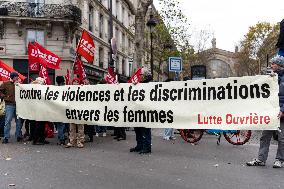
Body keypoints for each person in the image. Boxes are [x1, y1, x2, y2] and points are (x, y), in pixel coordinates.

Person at [246, 55, 284, 168]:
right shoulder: (271, 77)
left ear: (279, 65)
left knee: (282, 139)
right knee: (265, 136)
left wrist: (282, 110)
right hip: (271, 112)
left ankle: (279, 160)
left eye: (273, 64)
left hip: (281, 112)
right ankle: (261, 159)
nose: (271, 65)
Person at [130, 67, 152, 154]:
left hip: (145, 111)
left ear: (145, 76)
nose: (139, 76)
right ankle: (139, 145)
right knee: (138, 129)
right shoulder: (139, 84)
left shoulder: (149, 85)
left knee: (145, 129)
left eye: (141, 75)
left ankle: (147, 147)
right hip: (138, 111)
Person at [0, 72, 23, 144]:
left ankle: (18, 135)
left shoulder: (19, 84)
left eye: (17, 77)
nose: (17, 78)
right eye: (16, 77)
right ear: (12, 77)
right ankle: (6, 137)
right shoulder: (5, 83)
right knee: (8, 121)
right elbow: (0, 91)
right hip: (9, 104)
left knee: (18, 121)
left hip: (18, 105)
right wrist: (4, 97)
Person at [65, 78, 85, 148]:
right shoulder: (70, 90)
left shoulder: (82, 90)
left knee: (80, 127)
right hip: (72, 111)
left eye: (77, 82)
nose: (75, 83)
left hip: (79, 111)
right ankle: (71, 141)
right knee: (72, 128)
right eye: (74, 81)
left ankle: (80, 141)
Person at [31, 77, 49, 145]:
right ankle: (35, 140)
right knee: (39, 125)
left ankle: (42, 139)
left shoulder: (42, 88)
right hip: (37, 108)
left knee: (42, 125)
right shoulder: (34, 88)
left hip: (42, 108)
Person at [54, 76, 67, 145]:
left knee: (59, 125)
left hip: (57, 109)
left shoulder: (55, 89)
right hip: (63, 109)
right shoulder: (65, 88)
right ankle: (61, 138)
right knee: (62, 125)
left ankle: (61, 136)